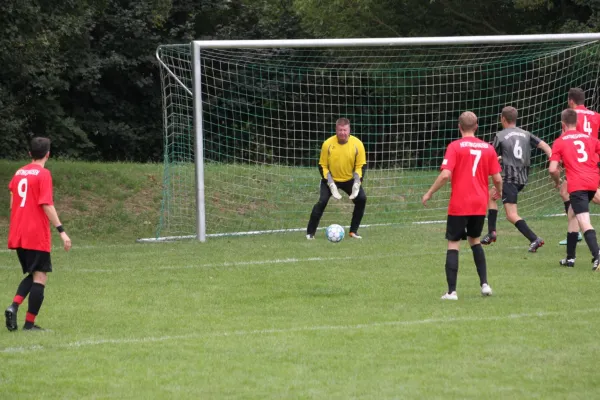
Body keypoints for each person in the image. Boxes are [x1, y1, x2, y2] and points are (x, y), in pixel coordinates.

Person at [422, 111, 502, 300]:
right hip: (479, 203)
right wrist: (500, 191)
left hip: (460, 203)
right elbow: (497, 178)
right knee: (475, 240)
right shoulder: (488, 148)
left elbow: (445, 175)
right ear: (476, 126)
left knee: (454, 243)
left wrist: (430, 192)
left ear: (459, 126)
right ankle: (484, 284)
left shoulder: (455, 147)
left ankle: (452, 292)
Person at [5, 137, 72, 332]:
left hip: (18, 232)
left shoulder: (18, 173)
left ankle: (14, 307)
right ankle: (28, 324)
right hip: (35, 232)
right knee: (40, 277)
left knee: (35, 273)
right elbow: (46, 204)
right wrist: (62, 231)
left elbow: (12, 204)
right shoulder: (43, 174)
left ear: (29, 154)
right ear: (48, 154)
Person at [481, 106, 551, 252]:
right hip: (522, 177)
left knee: (511, 214)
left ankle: (534, 239)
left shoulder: (500, 135)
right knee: (492, 195)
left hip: (509, 178)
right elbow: (544, 145)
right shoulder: (525, 133)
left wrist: (496, 160)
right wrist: (552, 158)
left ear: (503, 119)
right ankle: (491, 233)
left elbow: (490, 156)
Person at [549, 109, 600, 269]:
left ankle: (597, 255)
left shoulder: (560, 141)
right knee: (572, 213)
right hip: (592, 182)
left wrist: (557, 182)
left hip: (578, 185)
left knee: (584, 221)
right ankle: (570, 258)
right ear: (577, 123)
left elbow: (552, 169)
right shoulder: (591, 139)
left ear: (562, 124)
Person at [306, 118, 367, 240]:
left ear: (349, 130)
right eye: (340, 130)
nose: (342, 133)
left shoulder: (358, 144)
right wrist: (331, 183)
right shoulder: (327, 144)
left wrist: (357, 182)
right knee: (322, 202)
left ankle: (353, 231)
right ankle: (310, 233)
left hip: (349, 179)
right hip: (330, 179)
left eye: (345, 130)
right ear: (336, 130)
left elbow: (361, 165)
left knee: (361, 199)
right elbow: (322, 165)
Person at [558, 88, 600, 245]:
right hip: (593, 159)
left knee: (581, 194)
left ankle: (574, 233)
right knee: (566, 192)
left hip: (579, 163)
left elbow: (568, 139)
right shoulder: (596, 116)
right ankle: (575, 232)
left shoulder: (571, 117)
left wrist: (561, 160)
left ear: (571, 101)